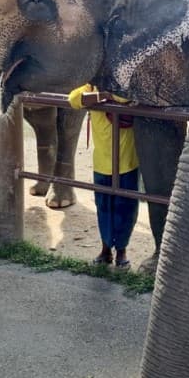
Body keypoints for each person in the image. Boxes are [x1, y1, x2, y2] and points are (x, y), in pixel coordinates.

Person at [68, 83, 140, 270]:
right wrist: (102, 95)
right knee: (103, 208)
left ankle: (122, 251)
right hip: (102, 163)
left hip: (127, 163)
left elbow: (125, 97)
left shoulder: (125, 87)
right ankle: (105, 249)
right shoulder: (90, 87)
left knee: (126, 208)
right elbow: (73, 99)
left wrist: (106, 95)